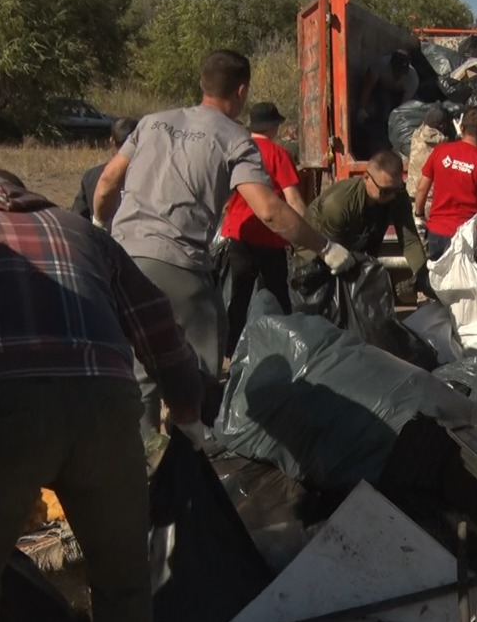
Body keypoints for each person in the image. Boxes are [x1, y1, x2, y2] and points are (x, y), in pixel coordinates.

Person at [0, 169, 207, 622]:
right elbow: (157, 324)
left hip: (0, 409)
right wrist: (186, 411)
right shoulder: (80, 230)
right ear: (26, 192)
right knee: (123, 585)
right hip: (104, 408)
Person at [92, 49, 351, 435]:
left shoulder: (151, 124)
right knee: (204, 346)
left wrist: (100, 224)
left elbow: (109, 180)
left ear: (202, 84)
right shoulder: (235, 138)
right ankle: (197, 448)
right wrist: (326, 248)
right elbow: (269, 210)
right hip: (177, 260)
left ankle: (144, 463)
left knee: (141, 362)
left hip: (122, 258)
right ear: (242, 90)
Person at [220, 102, 308, 357]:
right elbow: (293, 199)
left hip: (239, 234)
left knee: (240, 293)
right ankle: (282, 344)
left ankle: (232, 348)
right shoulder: (278, 154)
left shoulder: (237, 151)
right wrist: (307, 234)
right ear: (272, 127)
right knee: (277, 293)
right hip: (270, 236)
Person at [303, 150, 427, 284]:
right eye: (385, 191)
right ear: (366, 178)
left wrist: (424, 277)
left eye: (396, 189)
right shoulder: (338, 204)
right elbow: (332, 255)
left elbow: (410, 242)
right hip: (316, 256)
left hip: (354, 254)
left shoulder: (397, 196)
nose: (392, 196)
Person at [414, 108, 477, 260]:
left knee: (439, 281)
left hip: (437, 232)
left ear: (461, 128)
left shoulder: (440, 151)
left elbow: (422, 188)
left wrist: (419, 214)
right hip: (465, 237)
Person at [71, 117, 139, 223]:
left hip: (102, 237)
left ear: (111, 141)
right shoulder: (152, 177)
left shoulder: (91, 177)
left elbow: (77, 221)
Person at [356, 50, 419, 127]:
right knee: (383, 108)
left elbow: (403, 106)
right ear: (391, 65)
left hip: (399, 93)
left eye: (402, 72)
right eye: (397, 70)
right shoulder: (380, 65)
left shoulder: (413, 79)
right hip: (382, 87)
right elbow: (368, 87)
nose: (399, 74)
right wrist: (361, 109)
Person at [407, 104, 452, 200]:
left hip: (411, 191)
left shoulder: (417, 133)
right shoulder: (440, 143)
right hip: (428, 197)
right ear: (442, 126)